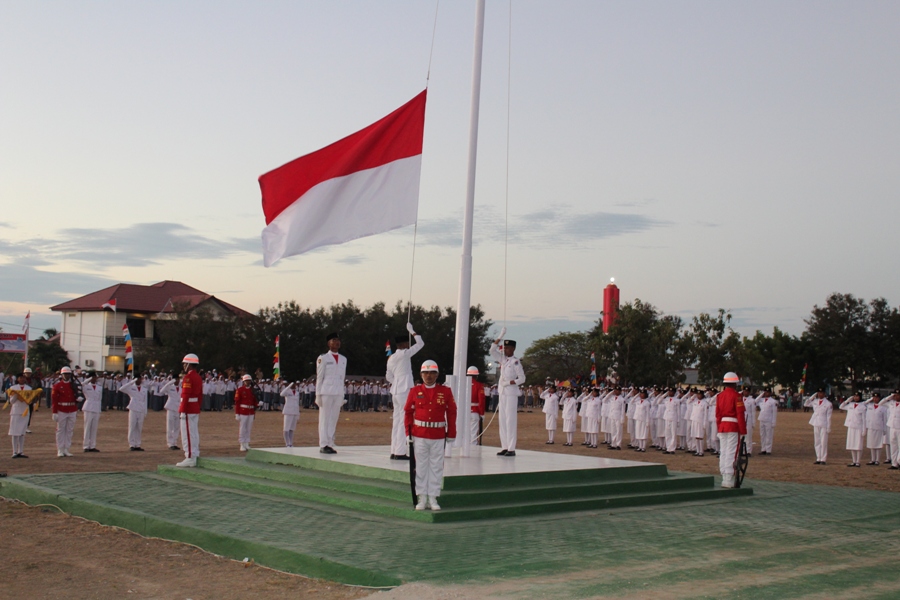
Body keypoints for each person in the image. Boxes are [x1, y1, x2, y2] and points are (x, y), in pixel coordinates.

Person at [404, 360, 457, 511]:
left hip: (438, 434)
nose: (429, 376)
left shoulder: (445, 391)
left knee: (436, 467)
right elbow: (408, 411)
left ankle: (433, 497)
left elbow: (452, 412)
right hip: (419, 433)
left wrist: (451, 432)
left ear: (437, 375)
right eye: (425, 373)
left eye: (432, 373)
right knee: (420, 467)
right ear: (421, 374)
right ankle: (421, 497)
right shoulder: (414, 391)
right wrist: (408, 433)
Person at [385, 323, 424, 460]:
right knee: (403, 421)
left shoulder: (391, 358)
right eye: (407, 343)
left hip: (395, 390)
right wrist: (412, 331)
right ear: (403, 345)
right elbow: (420, 344)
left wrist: (396, 382)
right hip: (404, 390)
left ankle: (394, 450)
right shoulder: (404, 354)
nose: (409, 345)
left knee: (396, 421)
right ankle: (400, 452)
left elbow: (388, 377)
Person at [489, 328, 526, 457]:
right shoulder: (503, 360)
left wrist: (510, 382)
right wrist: (500, 335)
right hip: (502, 393)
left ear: (513, 349)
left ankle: (511, 448)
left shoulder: (516, 362)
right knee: (502, 421)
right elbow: (491, 350)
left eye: (508, 348)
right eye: (505, 348)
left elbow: (522, 378)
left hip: (511, 393)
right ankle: (504, 446)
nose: (506, 350)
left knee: (510, 421)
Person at [316, 333, 347, 454]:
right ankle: (323, 444)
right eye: (334, 340)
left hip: (338, 392)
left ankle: (330, 442)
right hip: (326, 391)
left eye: (338, 340)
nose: (337, 342)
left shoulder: (344, 359)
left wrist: (342, 394)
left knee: (333, 418)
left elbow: (342, 377)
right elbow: (320, 377)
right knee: (324, 418)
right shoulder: (323, 358)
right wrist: (318, 395)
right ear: (329, 343)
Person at [715, 372, 747, 488]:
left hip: (723, 426)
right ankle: (728, 478)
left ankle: (724, 474)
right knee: (731, 452)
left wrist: (719, 428)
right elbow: (740, 414)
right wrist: (743, 431)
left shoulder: (720, 396)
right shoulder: (737, 396)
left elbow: (718, 415)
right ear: (735, 383)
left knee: (723, 451)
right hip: (733, 426)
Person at [176, 353, 202, 467]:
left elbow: (185, 395)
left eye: (184, 364)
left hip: (188, 408)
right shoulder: (198, 377)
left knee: (187, 434)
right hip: (194, 407)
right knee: (193, 433)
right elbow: (200, 395)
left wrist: (182, 409)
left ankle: (190, 456)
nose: (183, 366)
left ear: (188, 365)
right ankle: (194, 453)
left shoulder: (188, 377)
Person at [51, 366, 79, 457]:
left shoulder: (73, 385)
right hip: (62, 409)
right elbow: (54, 400)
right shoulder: (57, 386)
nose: (67, 376)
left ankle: (67, 448)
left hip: (72, 409)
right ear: (62, 375)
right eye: (65, 374)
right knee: (60, 430)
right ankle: (60, 449)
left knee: (69, 430)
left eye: (68, 374)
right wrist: (54, 412)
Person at [6, 373, 35, 458]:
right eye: (20, 378)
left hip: (25, 411)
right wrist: (16, 395)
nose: (22, 379)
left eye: (23, 378)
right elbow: (11, 401)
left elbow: (30, 401)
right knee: (15, 432)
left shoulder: (29, 388)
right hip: (15, 411)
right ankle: (14, 451)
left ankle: (21, 451)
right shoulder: (13, 388)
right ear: (18, 379)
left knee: (22, 432)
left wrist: (28, 399)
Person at [118, 374, 150, 451]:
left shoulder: (144, 389)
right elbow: (121, 388)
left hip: (141, 409)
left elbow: (145, 401)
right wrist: (132, 382)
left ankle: (138, 444)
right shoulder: (131, 388)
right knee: (132, 427)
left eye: (140, 379)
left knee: (139, 427)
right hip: (133, 408)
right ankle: (132, 444)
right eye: (137, 379)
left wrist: (145, 411)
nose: (139, 380)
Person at [805, 388, 833, 465]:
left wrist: (828, 427)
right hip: (816, 422)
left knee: (823, 442)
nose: (820, 394)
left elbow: (829, 417)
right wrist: (812, 396)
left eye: (822, 393)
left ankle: (823, 459)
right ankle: (818, 458)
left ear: (824, 394)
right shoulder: (815, 401)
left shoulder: (828, 404)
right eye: (819, 393)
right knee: (817, 441)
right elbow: (806, 404)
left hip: (824, 424)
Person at [839, 393, 867, 468]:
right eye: (854, 396)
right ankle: (854, 461)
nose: (855, 398)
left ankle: (858, 461)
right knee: (852, 444)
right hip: (851, 426)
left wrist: (864, 430)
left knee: (858, 445)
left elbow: (864, 419)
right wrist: (848, 400)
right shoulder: (850, 405)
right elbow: (841, 406)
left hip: (858, 427)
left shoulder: (862, 406)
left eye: (857, 396)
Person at [234, 374, 259, 451]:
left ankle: (247, 443)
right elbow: (237, 402)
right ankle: (242, 443)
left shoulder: (252, 390)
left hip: (250, 411)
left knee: (248, 428)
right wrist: (237, 413)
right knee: (242, 428)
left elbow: (254, 401)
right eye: (246, 381)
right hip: (243, 411)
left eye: (249, 381)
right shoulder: (240, 390)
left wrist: (258, 404)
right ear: (244, 381)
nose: (248, 382)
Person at [80, 372, 103, 452]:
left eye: (95, 377)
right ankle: (86, 446)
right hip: (89, 407)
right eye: (93, 377)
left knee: (94, 428)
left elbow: (100, 398)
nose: (94, 379)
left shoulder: (99, 387)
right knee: (87, 427)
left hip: (96, 407)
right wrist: (88, 379)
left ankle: (92, 445)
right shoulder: (86, 386)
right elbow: (81, 385)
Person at [158, 375, 182, 450]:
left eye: (178, 379)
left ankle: (174, 442)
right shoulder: (170, 387)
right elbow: (161, 391)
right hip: (171, 408)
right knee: (170, 426)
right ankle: (170, 443)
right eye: (176, 379)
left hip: (178, 408)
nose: (177, 381)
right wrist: (169, 383)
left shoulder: (181, 389)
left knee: (177, 427)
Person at [864, 393, 887, 466]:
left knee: (878, 444)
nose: (875, 399)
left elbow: (885, 419)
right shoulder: (869, 406)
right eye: (874, 397)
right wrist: (870, 399)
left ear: (879, 398)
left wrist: (884, 429)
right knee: (871, 444)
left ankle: (877, 460)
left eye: (877, 398)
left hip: (879, 427)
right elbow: (863, 404)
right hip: (870, 427)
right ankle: (872, 459)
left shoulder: (883, 408)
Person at [467, 366, 486, 446]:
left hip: (463, 411)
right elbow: (481, 400)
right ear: (476, 375)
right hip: (474, 411)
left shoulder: (462, 385)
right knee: (473, 434)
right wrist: (482, 413)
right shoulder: (479, 385)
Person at [756, 389, 778, 455]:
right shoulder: (761, 400)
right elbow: (755, 401)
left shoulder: (773, 401)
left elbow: (774, 412)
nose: (766, 393)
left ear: (770, 393)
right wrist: (761, 394)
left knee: (769, 435)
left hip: (769, 420)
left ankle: (768, 450)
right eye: (765, 392)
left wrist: (774, 422)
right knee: (762, 435)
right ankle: (763, 449)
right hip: (762, 419)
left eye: (768, 392)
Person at [280, 381, 300, 447]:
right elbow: (281, 394)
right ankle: (287, 443)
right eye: (292, 385)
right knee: (286, 429)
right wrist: (288, 387)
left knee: (292, 429)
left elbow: (297, 403)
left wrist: (298, 414)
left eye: (294, 385)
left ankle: (291, 443)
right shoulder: (287, 392)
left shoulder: (297, 393)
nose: (294, 386)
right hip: (288, 412)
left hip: (295, 412)